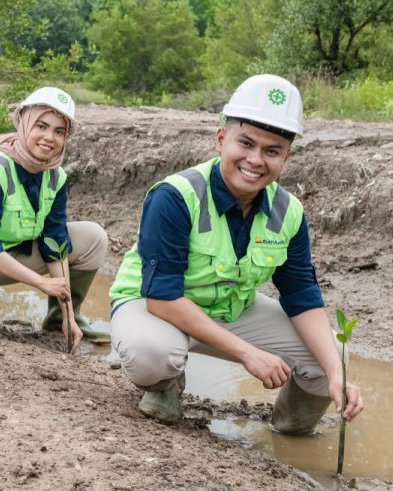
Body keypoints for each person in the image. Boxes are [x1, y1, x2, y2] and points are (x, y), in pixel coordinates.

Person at [109, 74, 364, 434]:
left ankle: (290, 428)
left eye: (272, 150)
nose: (256, 160)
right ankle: (164, 386)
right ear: (221, 139)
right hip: (155, 306)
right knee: (151, 353)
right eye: (246, 143)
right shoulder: (175, 196)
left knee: (331, 359)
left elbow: (302, 296)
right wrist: (248, 353)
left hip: (232, 308)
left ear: (286, 157)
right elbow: (163, 299)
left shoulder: (288, 212)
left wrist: (337, 375)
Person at [0, 87, 108, 353]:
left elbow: (55, 242)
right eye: (42, 126)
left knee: (93, 238)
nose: (49, 138)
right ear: (24, 122)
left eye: (59, 131)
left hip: (13, 251)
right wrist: (41, 283)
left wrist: (68, 312)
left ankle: (57, 320)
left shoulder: (55, 176)